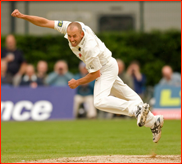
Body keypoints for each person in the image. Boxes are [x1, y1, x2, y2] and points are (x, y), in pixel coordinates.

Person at [11, 9, 164, 143]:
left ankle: (135, 110)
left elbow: (95, 74)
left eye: (74, 36)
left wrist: (77, 82)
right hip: (106, 65)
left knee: (99, 101)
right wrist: (23, 16)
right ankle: (154, 122)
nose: (71, 39)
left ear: (82, 34)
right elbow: (45, 22)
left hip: (105, 68)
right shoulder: (70, 26)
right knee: (132, 98)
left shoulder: (89, 48)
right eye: (69, 36)